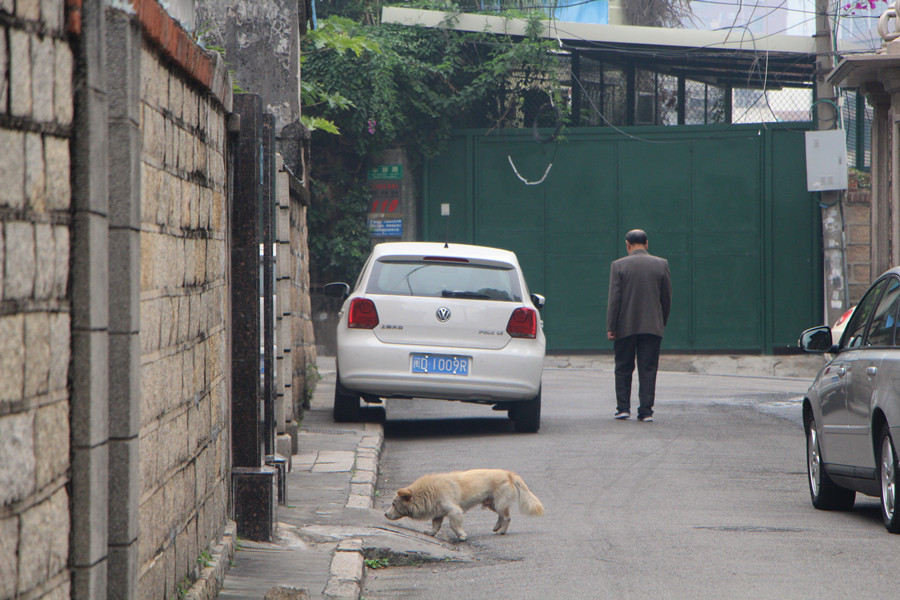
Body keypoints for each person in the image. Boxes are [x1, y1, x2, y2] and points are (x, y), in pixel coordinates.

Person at [606, 229, 672, 422]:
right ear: (646, 244)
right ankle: (646, 411)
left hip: (624, 326)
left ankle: (623, 408)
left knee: (623, 367)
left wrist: (612, 325)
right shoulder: (661, 264)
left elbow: (614, 300)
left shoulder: (618, 266)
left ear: (627, 244)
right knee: (648, 368)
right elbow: (666, 298)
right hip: (652, 326)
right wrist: (662, 321)